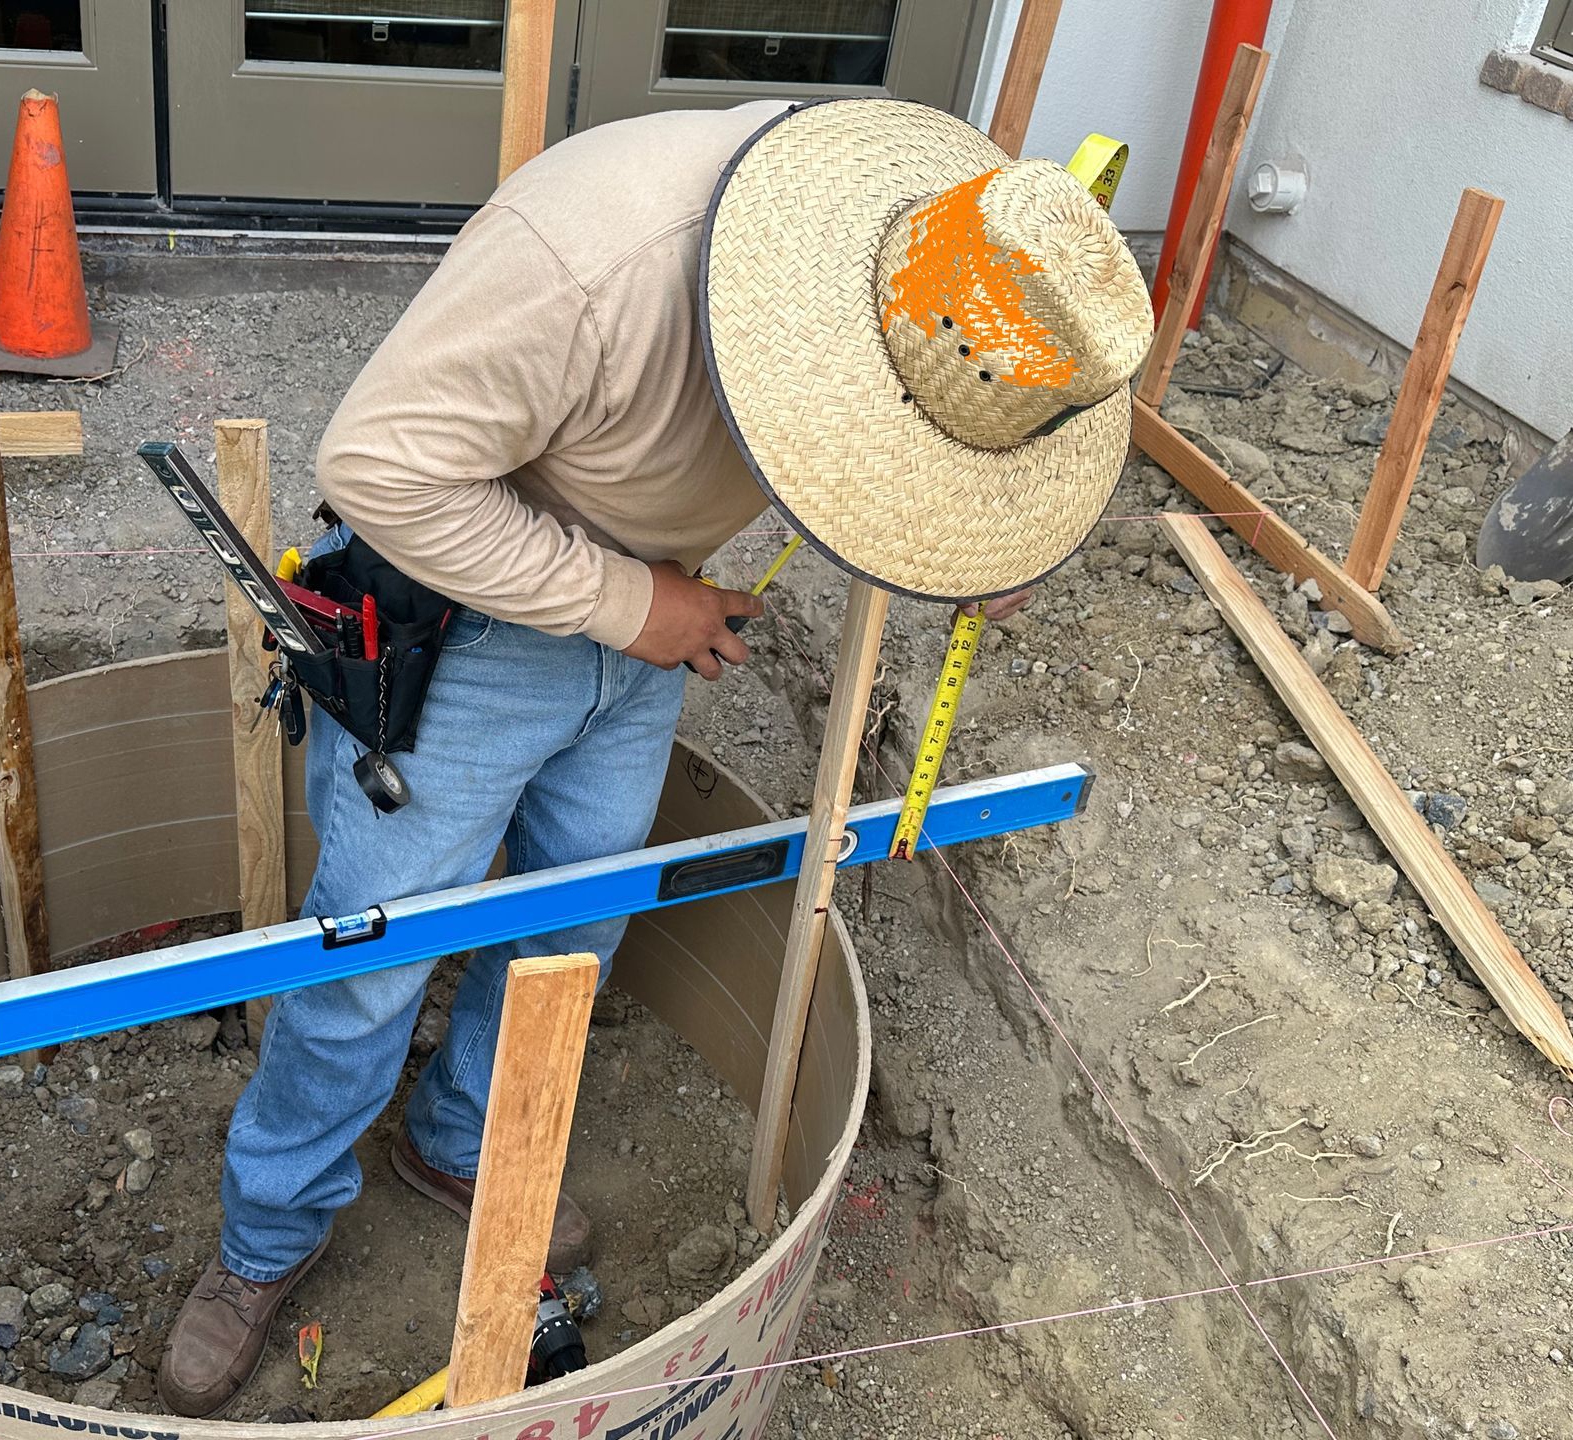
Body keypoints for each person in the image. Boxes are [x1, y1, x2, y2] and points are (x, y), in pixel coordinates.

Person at [158, 96, 1154, 1419]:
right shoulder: (591, 269)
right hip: (464, 610)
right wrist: (643, 609)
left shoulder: (963, 259)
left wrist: (974, 520)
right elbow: (387, 474)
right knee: (370, 956)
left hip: (645, 614)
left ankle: (456, 1144)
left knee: (580, 915)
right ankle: (265, 1240)